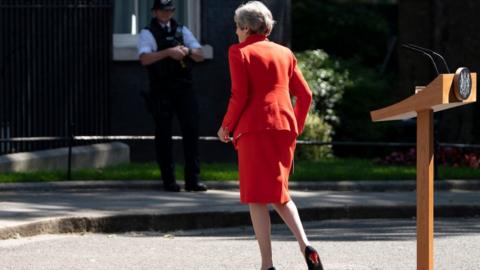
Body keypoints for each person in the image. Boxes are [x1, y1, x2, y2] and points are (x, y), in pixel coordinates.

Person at [217, 1, 324, 270]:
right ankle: (306, 245)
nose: (236, 33)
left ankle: (267, 264)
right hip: (284, 127)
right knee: (279, 193)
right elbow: (306, 95)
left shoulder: (239, 52)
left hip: (254, 128)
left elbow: (239, 95)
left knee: (257, 198)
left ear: (245, 27)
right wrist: (295, 127)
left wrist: (226, 126)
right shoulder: (285, 53)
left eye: (237, 28)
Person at [138, 0, 207, 192]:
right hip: (161, 88)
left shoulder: (181, 30)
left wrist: (187, 51)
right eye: (162, 10)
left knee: (191, 131)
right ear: (155, 12)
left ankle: (192, 179)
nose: (166, 14)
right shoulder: (147, 32)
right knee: (164, 134)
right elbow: (144, 58)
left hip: (184, 87)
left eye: (169, 10)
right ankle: (168, 180)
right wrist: (168, 52)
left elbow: (200, 54)